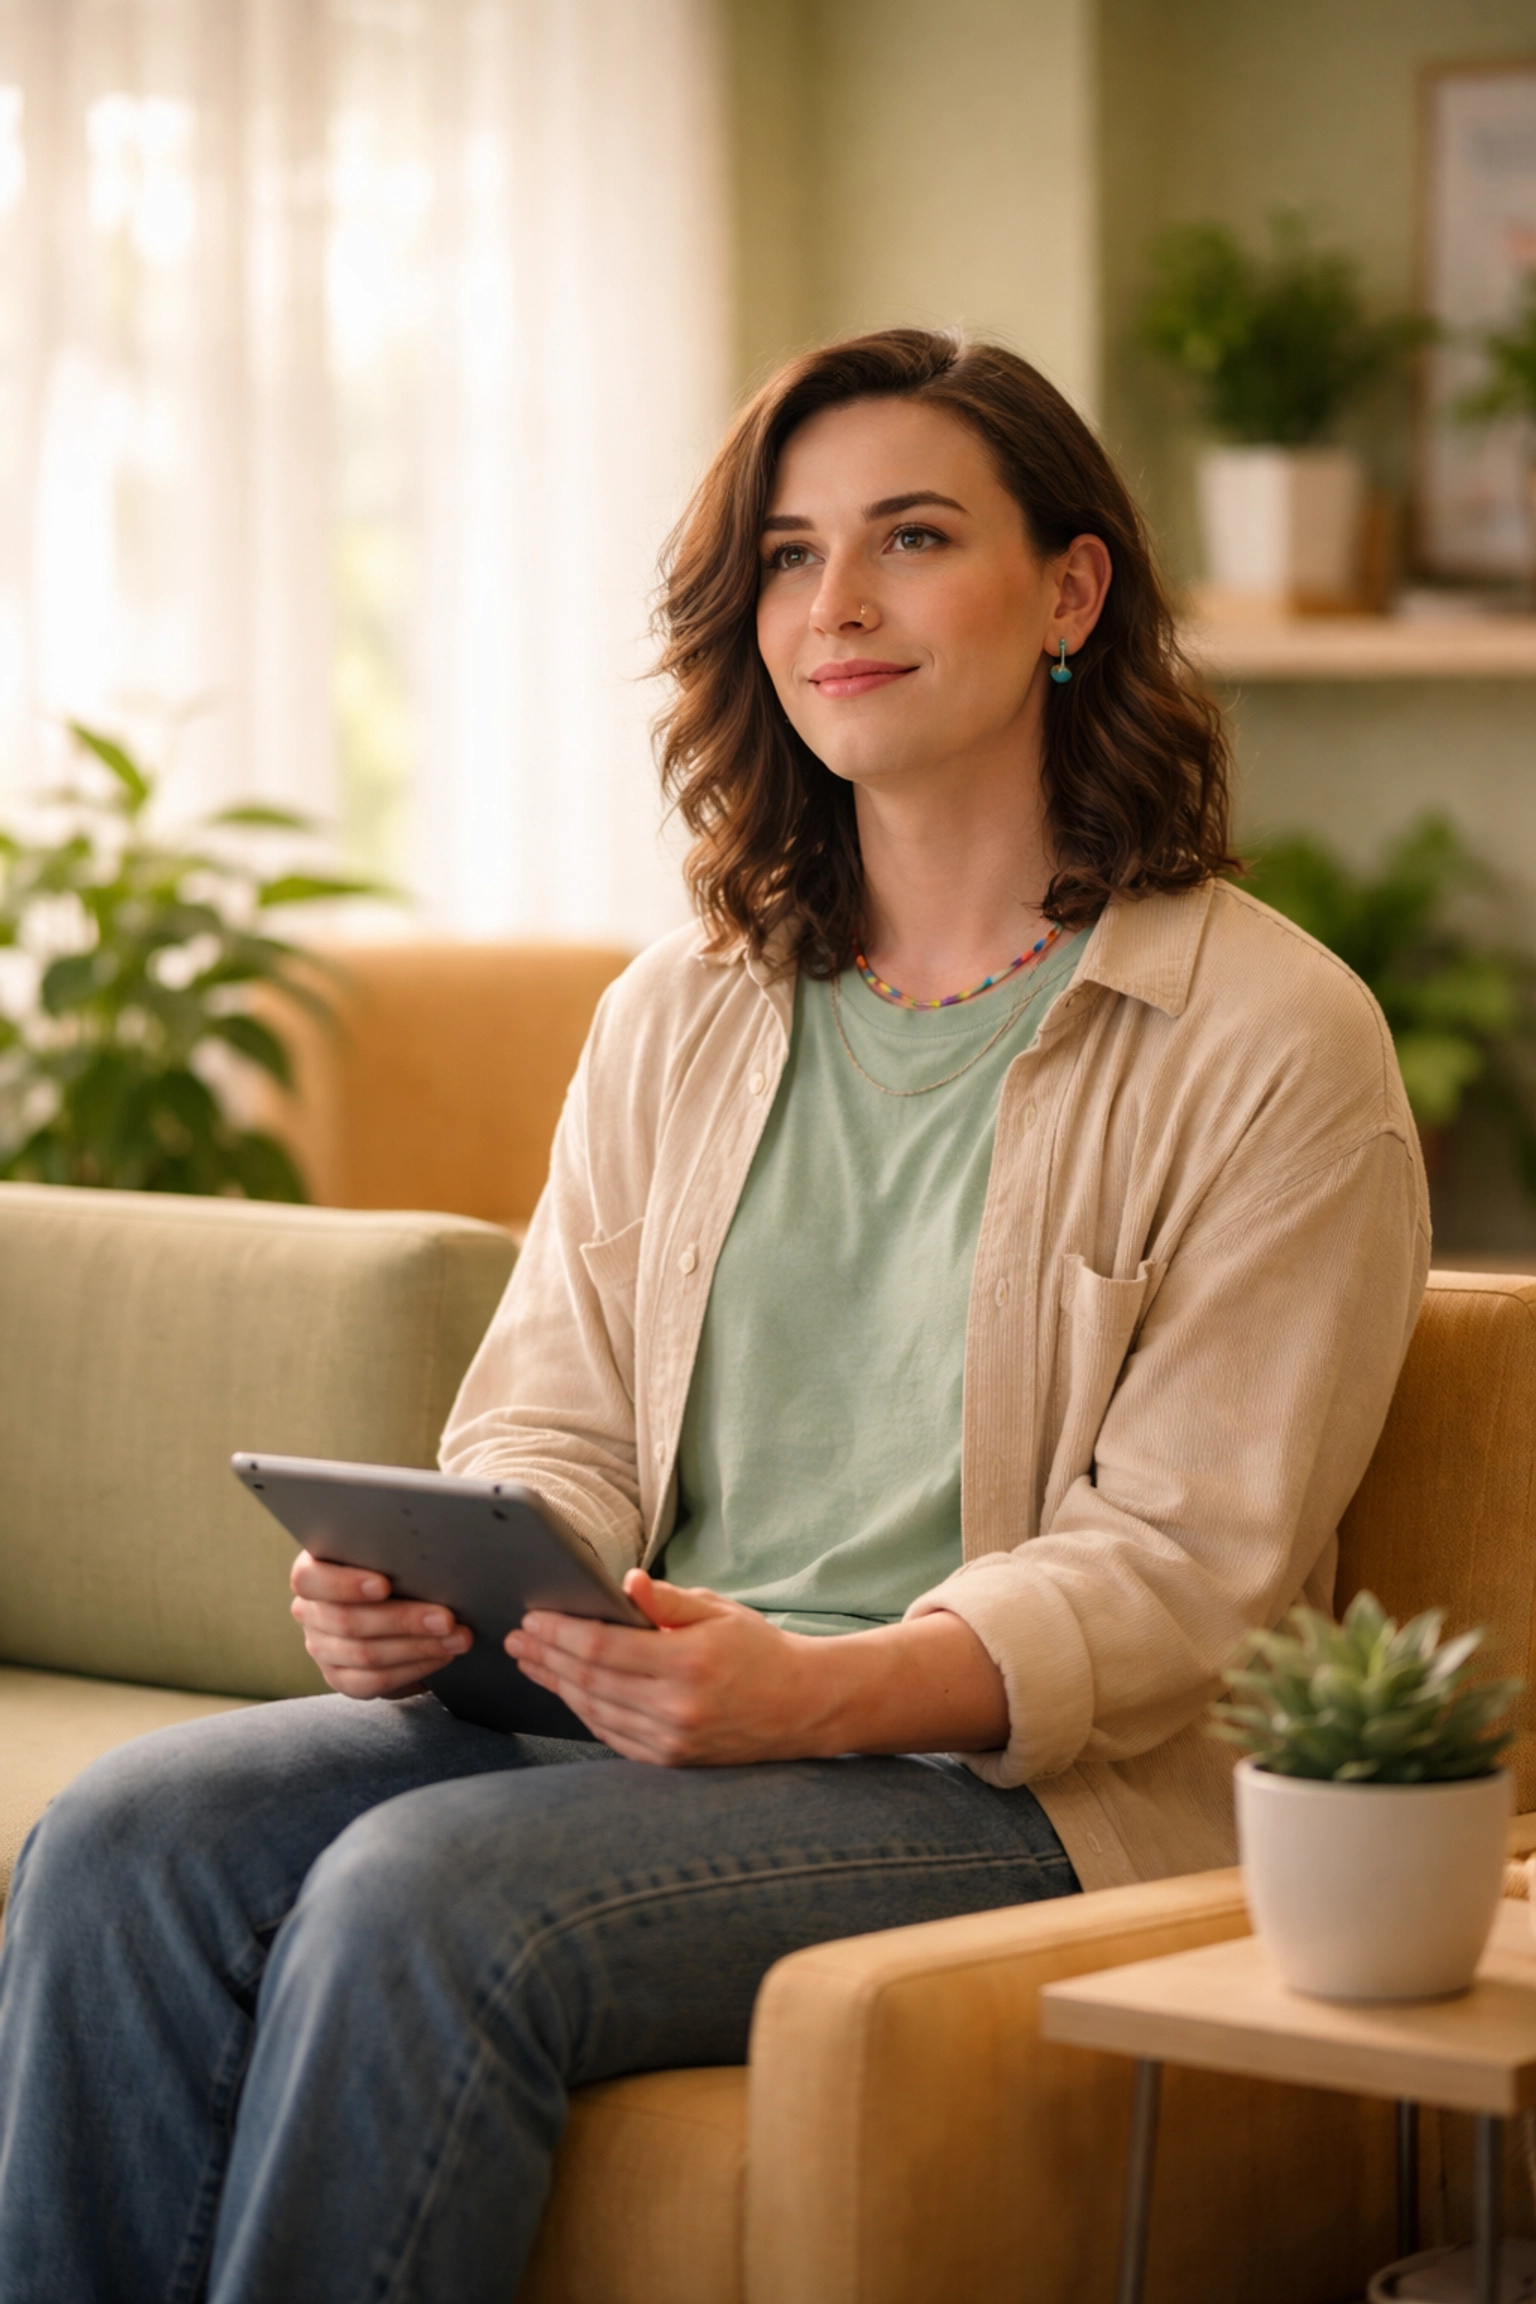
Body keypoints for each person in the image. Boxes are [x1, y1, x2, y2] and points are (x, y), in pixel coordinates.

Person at [0, 329, 1428, 2304]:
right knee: (119, 1843)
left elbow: (1185, 1572)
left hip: (1021, 1797)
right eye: (786, 556)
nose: (835, 604)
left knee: (427, 1899)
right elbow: (556, 1412)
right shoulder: (686, 1002)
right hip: (656, 1720)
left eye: (912, 538)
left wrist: (822, 1695)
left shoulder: (1272, 1039)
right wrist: (459, 1589)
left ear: (1071, 591)